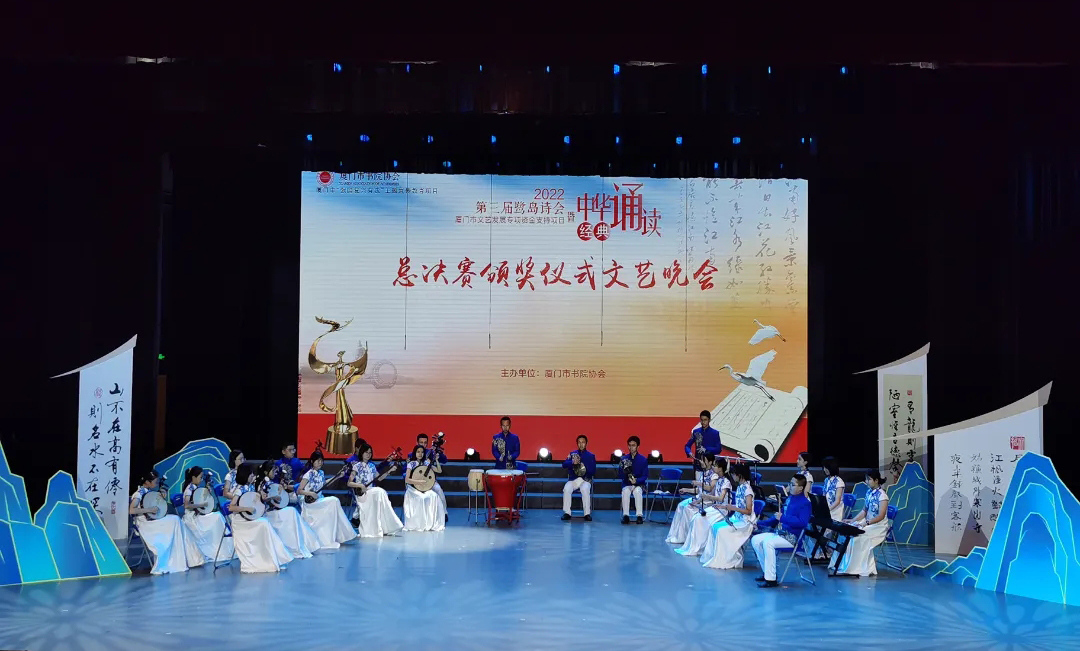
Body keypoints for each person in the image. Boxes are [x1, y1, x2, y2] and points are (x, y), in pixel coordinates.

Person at [227, 463, 292, 573]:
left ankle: (275, 558)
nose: (253, 476)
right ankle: (267, 559)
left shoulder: (251, 487)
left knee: (265, 523)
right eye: (251, 474)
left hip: (250, 517)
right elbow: (231, 507)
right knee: (264, 523)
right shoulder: (239, 490)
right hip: (240, 521)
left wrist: (263, 497)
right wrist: (246, 508)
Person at [751, 473, 812, 588]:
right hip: (781, 533)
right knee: (756, 540)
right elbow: (777, 517)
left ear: (800, 488)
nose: (789, 486)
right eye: (790, 483)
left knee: (768, 543)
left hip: (793, 538)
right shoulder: (790, 499)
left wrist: (783, 518)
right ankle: (767, 572)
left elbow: (803, 522)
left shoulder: (805, 503)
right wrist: (759, 523)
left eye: (792, 484)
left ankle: (771, 579)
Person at [129, 469, 192, 574]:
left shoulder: (149, 492)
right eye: (155, 482)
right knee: (174, 521)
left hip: (152, 519)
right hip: (143, 522)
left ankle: (176, 559)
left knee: (175, 519)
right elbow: (131, 510)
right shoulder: (139, 494)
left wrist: (161, 498)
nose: (157, 484)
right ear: (147, 482)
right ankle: (167, 560)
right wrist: (149, 510)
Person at [256, 460, 320, 559]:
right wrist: (274, 497)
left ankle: (305, 544)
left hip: (275, 510)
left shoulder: (271, 482)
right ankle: (295, 547)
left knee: (292, 512)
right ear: (266, 472)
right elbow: (262, 499)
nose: (275, 473)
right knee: (291, 511)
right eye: (273, 471)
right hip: (268, 512)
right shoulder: (262, 484)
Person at [832, 469, 890, 576]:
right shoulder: (869, 492)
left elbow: (881, 516)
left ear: (876, 480)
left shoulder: (883, 496)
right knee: (847, 531)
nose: (866, 482)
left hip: (878, 526)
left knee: (858, 537)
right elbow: (864, 511)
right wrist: (853, 520)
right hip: (867, 523)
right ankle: (840, 564)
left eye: (869, 479)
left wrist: (867, 523)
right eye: (866, 479)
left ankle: (856, 568)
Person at [700, 464, 758, 569]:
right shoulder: (740, 487)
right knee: (714, 526)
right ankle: (715, 556)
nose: (732, 476)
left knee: (721, 531)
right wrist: (723, 506)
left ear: (739, 475)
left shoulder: (748, 490)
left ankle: (729, 559)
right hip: (737, 518)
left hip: (745, 523)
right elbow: (739, 505)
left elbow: (748, 511)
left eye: (733, 474)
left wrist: (733, 508)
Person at [298, 450, 358, 549]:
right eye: (318, 461)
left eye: (321, 461)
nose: (320, 463)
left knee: (334, 502)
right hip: (310, 504)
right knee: (334, 501)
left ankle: (341, 535)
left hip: (319, 501)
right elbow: (299, 490)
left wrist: (337, 477)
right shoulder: (308, 474)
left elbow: (324, 484)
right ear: (312, 461)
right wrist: (311, 493)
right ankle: (344, 534)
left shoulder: (321, 472)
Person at [674, 457, 733, 555]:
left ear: (720, 468)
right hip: (716, 507)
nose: (714, 467)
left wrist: (706, 496)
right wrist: (699, 499)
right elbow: (710, 493)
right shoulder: (719, 480)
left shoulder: (726, 482)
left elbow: (721, 498)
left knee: (698, 519)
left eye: (715, 466)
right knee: (696, 517)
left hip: (722, 510)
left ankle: (699, 547)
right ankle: (694, 545)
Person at [347, 443, 404, 537]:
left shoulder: (372, 466)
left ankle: (388, 526)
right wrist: (360, 485)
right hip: (362, 494)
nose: (368, 454)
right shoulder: (356, 466)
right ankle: (390, 525)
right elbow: (349, 483)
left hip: (371, 491)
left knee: (381, 492)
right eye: (366, 452)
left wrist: (389, 471)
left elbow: (379, 478)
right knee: (380, 491)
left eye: (370, 453)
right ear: (361, 453)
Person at [181, 465, 233, 565]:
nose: (201, 480)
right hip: (191, 517)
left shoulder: (196, 488)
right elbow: (187, 505)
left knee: (217, 515)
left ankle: (224, 547)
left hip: (198, 514)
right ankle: (219, 548)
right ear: (193, 477)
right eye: (200, 477)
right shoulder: (189, 489)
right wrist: (201, 505)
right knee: (217, 517)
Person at [403, 445, 446, 531]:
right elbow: (407, 480)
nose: (420, 454)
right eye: (418, 452)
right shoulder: (411, 464)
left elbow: (439, 470)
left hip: (424, 488)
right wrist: (419, 482)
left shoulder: (426, 463)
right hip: (413, 489)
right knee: (422, 497)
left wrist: (436, 460)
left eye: (422, 452)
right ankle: (419, 523)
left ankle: (430, 523)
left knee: (434, 495)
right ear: (415, 453)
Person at [561, 435, 597, 521]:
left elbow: (593, 471)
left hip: (585, 480)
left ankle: (587, 513)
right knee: (566, 488)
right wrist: (572, 462)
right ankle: (567, 513)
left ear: (586, 443)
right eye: (579, 442)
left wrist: (584, 468)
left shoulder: (591, 456)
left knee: (585, 489)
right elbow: (564, 465)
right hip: (573, 479)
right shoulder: (572, 454)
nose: (581, 444)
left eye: (583, 442)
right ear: (577, 444)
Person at [416, 433, 448, 520]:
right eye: (421, 442)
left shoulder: (431, 452)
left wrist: (438, 455)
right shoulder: (412, 454)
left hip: (430, 480)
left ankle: (444, 513)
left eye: (425, 443)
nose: (423, 445)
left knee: (438, 489)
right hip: (416, 481)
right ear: (417, 443)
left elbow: (444, 460)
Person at [619, 436, 649, 524]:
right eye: (629, 445)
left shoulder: (643, 460)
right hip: (627, 484)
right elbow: (620, 475)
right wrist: (623, 470)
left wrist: (637, 481)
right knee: (625, 492)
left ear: (638, 447)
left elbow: (645, 475)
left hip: (639, 484)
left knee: (637, 492)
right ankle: (626, 516)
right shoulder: (623, 459)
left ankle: (639, 516)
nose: (631, 447)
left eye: (633, 445)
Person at [685, 410, 722, 481]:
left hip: (711, 467)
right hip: (698, 465)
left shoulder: (715, 433)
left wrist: (706, 449)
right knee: (698, 485)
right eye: (701, 420)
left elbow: (718, 449)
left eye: (705, 420)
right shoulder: (696, 432)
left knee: (710, 486)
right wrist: (689, 452)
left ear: (709, 420)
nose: (703, 422)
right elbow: (687, 445)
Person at [821, 456, 845, 521]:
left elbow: (837, 501)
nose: (824, 470)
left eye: (826, 467)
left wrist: (827, 510)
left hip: (835, 512)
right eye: (824, 467)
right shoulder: (826, 480)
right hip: (826, 510)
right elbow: (824, 496)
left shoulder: (839, 482)